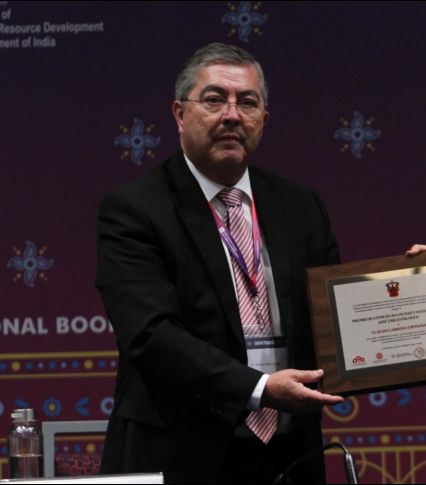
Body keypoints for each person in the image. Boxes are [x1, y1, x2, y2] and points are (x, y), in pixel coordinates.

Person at [95, 43, 345, 484]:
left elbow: (336, 316)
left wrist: (415, 288)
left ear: (263, 120)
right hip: (181, 454)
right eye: (214, 100)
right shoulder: (134, 209)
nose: (232, 114)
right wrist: (260, 389)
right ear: (179, 113)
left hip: (289, 454)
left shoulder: (301, 206)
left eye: (247, 102)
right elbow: (150, 335)